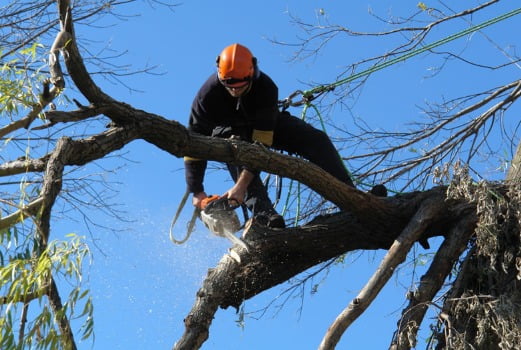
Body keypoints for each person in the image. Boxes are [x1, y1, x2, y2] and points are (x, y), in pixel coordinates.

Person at [184, 43, 356, 229]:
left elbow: (261, 145)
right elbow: (193, 144)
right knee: (234, 147)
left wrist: (241, 187)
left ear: (251, 74)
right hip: (228, 133)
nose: (234, 91)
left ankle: (352, 196)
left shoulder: (266, 88)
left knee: (316, 139)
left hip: (262, 127)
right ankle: (265, 215)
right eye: (230, 86)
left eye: (240, 87)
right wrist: (197, 191)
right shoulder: (206, 97)